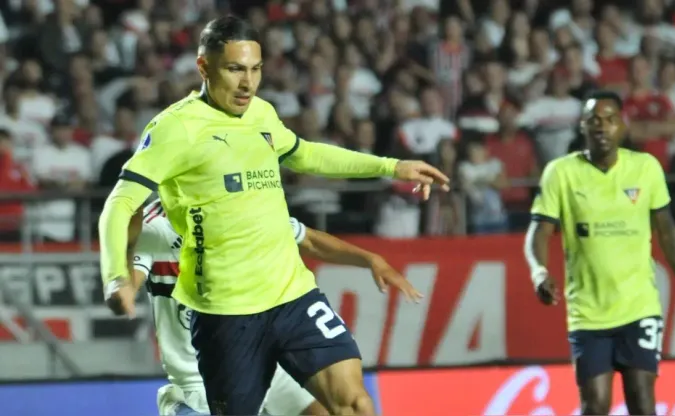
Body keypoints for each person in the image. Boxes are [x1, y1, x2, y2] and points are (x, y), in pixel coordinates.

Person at [98, 16, 448, 416]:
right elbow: (119, 204)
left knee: (355, 404)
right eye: (235, 69)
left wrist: (390, 166)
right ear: (203, 67)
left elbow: (307, 154)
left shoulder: (261, 114)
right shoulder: (175, 129)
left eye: (255, 69)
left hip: (291, 295)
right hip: (227, 316)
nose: (248, 83)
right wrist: (115, 278)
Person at [124, 200, 421, 415]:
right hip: (201, 380)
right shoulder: (153, 225)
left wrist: (370, 260)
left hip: (268, 355)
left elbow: (308, 239)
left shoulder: (243, 200)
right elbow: (126, 288)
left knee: (342, 409)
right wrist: (122, 269)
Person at [523, 90, 675, 415]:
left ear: (622, 125)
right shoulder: (560, 173)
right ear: (583, 126)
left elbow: (667, 231)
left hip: (639, 307)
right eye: (594, 120)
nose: (602, 127)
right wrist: (540, 272)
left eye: (610, 119)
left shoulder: (645, 168)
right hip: (588, 313)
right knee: (595, 406)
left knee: (642, 401)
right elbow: (539, 232)